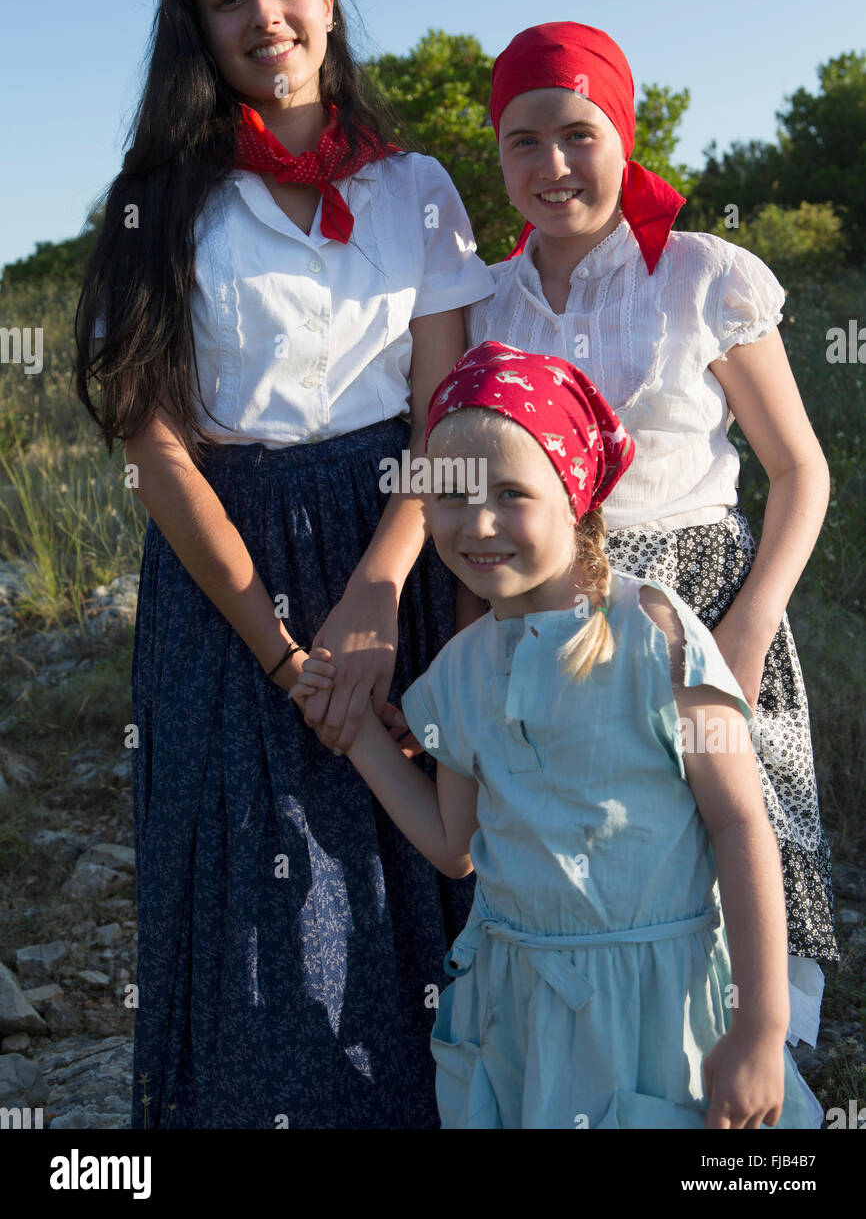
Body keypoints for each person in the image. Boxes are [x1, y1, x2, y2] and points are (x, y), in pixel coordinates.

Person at [74, 0, 493, 1128]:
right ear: (196, 33)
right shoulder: (157, 199)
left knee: (412, 890)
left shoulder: (415, 186)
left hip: (398, 545)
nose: (263, 14)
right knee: (260, 923)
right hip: (229, 579)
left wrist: (374, 597)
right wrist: (286, 650)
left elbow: (447, 416)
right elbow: (154, 452)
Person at [292, 340, 819, 1129]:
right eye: (451, 495)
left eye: (511, 493)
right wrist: (356, 731)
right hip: (524, 1010)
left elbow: (741, 822)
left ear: (575, 494)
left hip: (658, 1005)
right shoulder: (461, 670)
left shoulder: (656, 635)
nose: (479, 523)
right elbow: (452, 842)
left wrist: (759, 1026)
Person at [466, 22, 837, 1052]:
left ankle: (761, 1076)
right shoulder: (485, 301)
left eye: (577, 133)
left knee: (732, 847)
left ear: (621, 133)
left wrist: (750, 622)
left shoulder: (700, 276)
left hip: (702, 602)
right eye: (522, 141)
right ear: (498, 155)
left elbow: (799, 469)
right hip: (550, 617)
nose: (551, 164)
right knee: (596, 872)